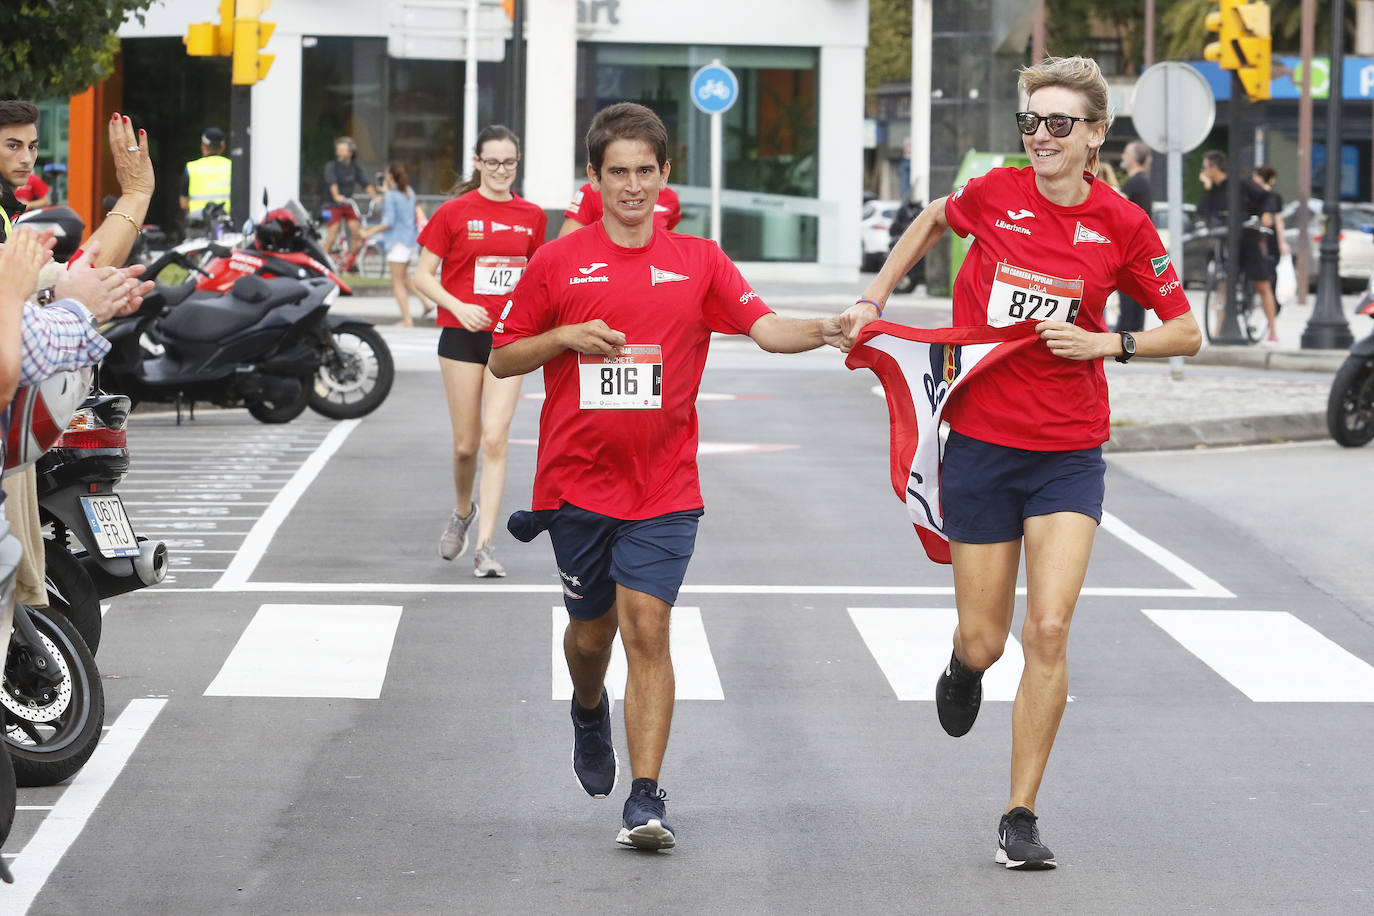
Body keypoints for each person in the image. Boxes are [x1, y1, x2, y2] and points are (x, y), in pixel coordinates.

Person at [842, 56, 1200, 870]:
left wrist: (1110, 341)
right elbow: (935, 219)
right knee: (987, 640)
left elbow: (1185, 330)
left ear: (1097, 135)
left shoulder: (1123, 225)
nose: (1041, 136)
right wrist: (875, 300)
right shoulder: (995, 195)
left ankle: (1019, 814)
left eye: (1059, 124)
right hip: (981, 443)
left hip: (1069, 451)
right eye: (1031, 122)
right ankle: (964, 666)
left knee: (1049, 627)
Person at [489, 102, 847, 851]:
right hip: (578, 485)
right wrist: (563, 335)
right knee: (590, 639)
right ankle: (589, 710)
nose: (630, 186)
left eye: (643, 172)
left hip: (663, 487)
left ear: (665, 174)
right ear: (593, 178)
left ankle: (645, 798)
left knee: (647, 624)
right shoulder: (559, 261)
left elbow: (768, 328)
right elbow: (504, 356)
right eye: (616, 172)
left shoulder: (699, 260)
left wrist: (827, 328)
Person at [412, 126, 546, 578]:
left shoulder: (531, 216)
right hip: (461, 335)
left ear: (518, 162)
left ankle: (486, 546)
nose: (501, 171)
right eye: (492, 162)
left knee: (495, 439)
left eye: (509, 162)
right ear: (477, 162)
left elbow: (536, 276)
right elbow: (422, 275)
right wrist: (457, 305)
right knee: (467, 445)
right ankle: (461, 510)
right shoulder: (453, 212)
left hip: (509, 338)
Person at [1197, 149, 1280, 344]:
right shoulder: (1213, 189)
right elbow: (1202, 212)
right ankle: (1218, 331)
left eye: (1204, 167)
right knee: (1224, 284)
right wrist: (1208, 188)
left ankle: (1273, 331)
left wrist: (1266, 215)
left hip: (1248, 237)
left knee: (1262, 283)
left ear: (1214, 167)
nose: (1202, 171)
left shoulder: (1240, 183)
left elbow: (1269, 197)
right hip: (1226, 240)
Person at [359, 162, 435, 327]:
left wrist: (368, 232)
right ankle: (426, 303)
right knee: (405, 276)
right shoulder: (409, 192)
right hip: (410, 240)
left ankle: (407, 319)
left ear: (390, 176)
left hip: (397, 242)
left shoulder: (392, 196)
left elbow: (389, 222)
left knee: (397, 281)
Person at [558, 175, 681, 237]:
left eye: (644, 170)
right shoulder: (591, 192)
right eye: (619, 171)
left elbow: (670, 241)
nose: (634, 187)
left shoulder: (670, 196)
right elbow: (565, 248)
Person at [322, 137, 378, 270]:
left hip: (347, 204)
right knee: (332, 235)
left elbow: (366, 183)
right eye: (338, 150)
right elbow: (332, 183)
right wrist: (336, 196)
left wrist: (374, 197)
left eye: (342, 150)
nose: (338, 153)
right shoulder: (332, 166)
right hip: (332, 204)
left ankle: (351, 263)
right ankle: (321, 262)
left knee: (356, 232)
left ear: (350, 153)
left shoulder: (355, 168)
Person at [1115, 140, 1154, 332]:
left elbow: (1116, 208)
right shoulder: (1142, 180)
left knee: (1128, 292)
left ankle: (1126, 331)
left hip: (1131, 247)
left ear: (1133, 158)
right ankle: (1133, 332)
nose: (1122, 157)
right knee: (1135, 291)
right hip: (1138, 246)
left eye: (1125, 153)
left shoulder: (1135, 182)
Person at [1252, 164, 1291, 304]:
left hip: (1264, 238)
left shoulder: (1265, 197)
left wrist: (1282, 242)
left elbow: (1275, 220)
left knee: (1267, 272)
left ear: (1260, 178)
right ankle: (1270, 300)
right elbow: (1279, 221)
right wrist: (1282, 242)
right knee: (1270, 271)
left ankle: (1270, 301)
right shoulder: (1275, 196)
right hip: (1269, 238)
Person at [178, 126, 231, 225]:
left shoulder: (190, 168)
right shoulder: (233, 167)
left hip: (197, 225)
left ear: (203, 145)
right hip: (225, 224)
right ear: (223, 147)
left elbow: (183, 204)